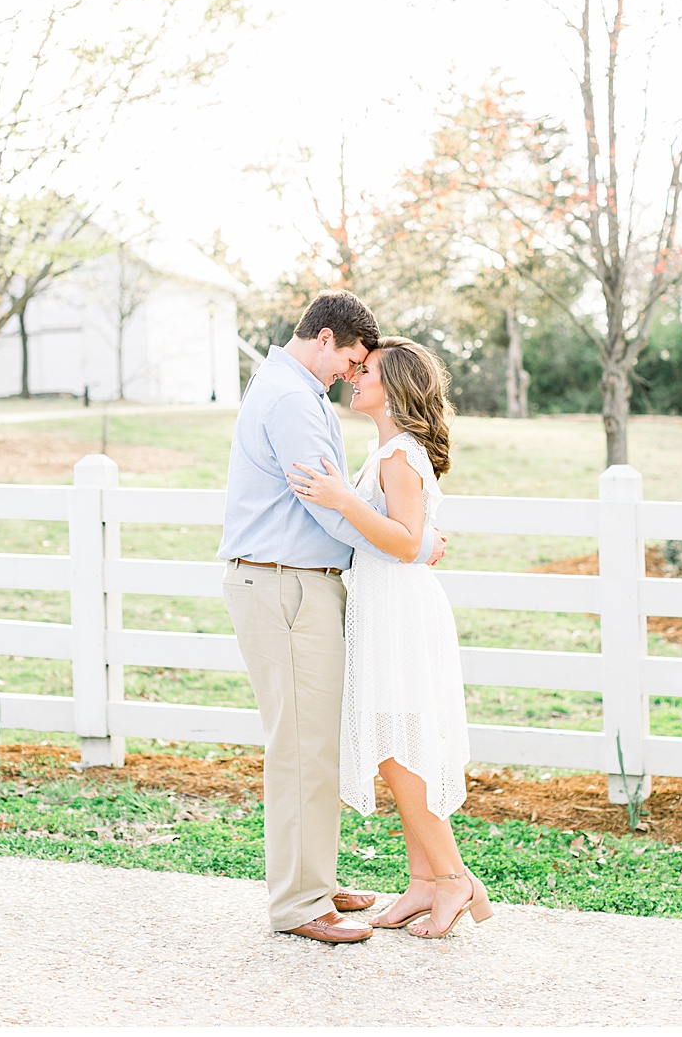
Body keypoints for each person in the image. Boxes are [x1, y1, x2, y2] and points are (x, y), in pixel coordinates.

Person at [216, 288, 445, 945]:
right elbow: (328, 509)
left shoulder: (296, 392)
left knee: (312, 741)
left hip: (294, 584)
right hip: (284, 584)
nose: (352, 373)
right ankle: (299, 902)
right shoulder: (290, 399)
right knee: (301, 748)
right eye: (351, 359)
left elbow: (336, 504)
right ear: (325, 340)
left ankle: (310, 879)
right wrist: (415, 545)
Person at [288, 337, 491, 939]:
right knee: (393, 742)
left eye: (366, 370)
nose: (354, 375)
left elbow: (405, 543)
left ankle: (452, 877)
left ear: (395, 386)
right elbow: (411, 540)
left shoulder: (400, 454)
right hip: (382, 606)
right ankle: (424, 883)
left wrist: (345, 501)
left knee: (399, 746)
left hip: (400, 611)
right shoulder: (386, 452)